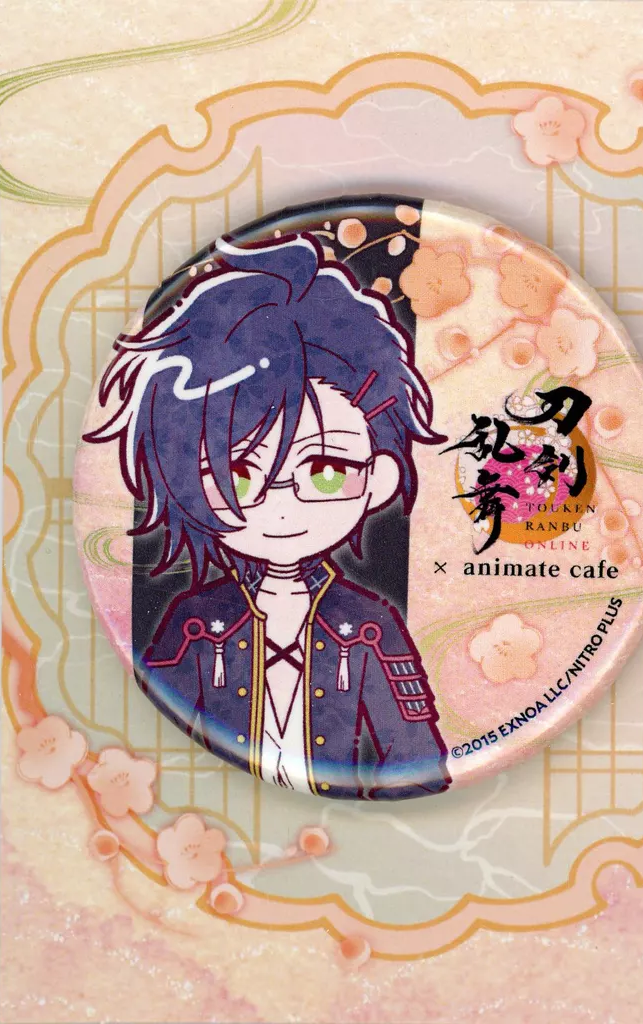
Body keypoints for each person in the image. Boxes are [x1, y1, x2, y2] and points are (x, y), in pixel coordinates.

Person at [85, 231, 451, 800]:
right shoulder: (195, 620)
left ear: (377, 479)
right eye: (237, 477)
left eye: (325, 472)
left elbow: (415, 764)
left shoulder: (370, 624)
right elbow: (156, 740)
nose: (280, 506)